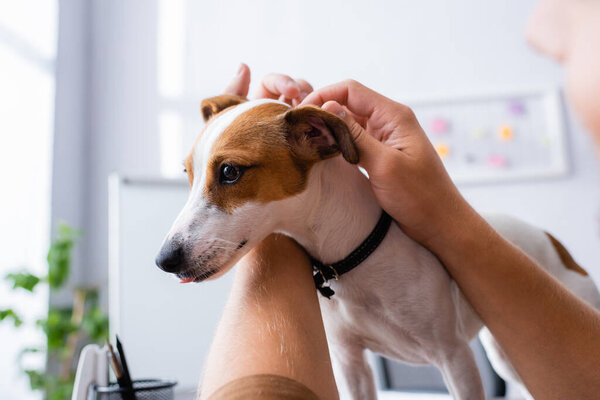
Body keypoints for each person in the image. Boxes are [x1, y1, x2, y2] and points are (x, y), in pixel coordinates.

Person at [201, 0, 600, 399]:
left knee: (511, 365)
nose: (538, 30)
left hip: (550, 268)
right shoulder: (325, 276)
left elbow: (455, 354)